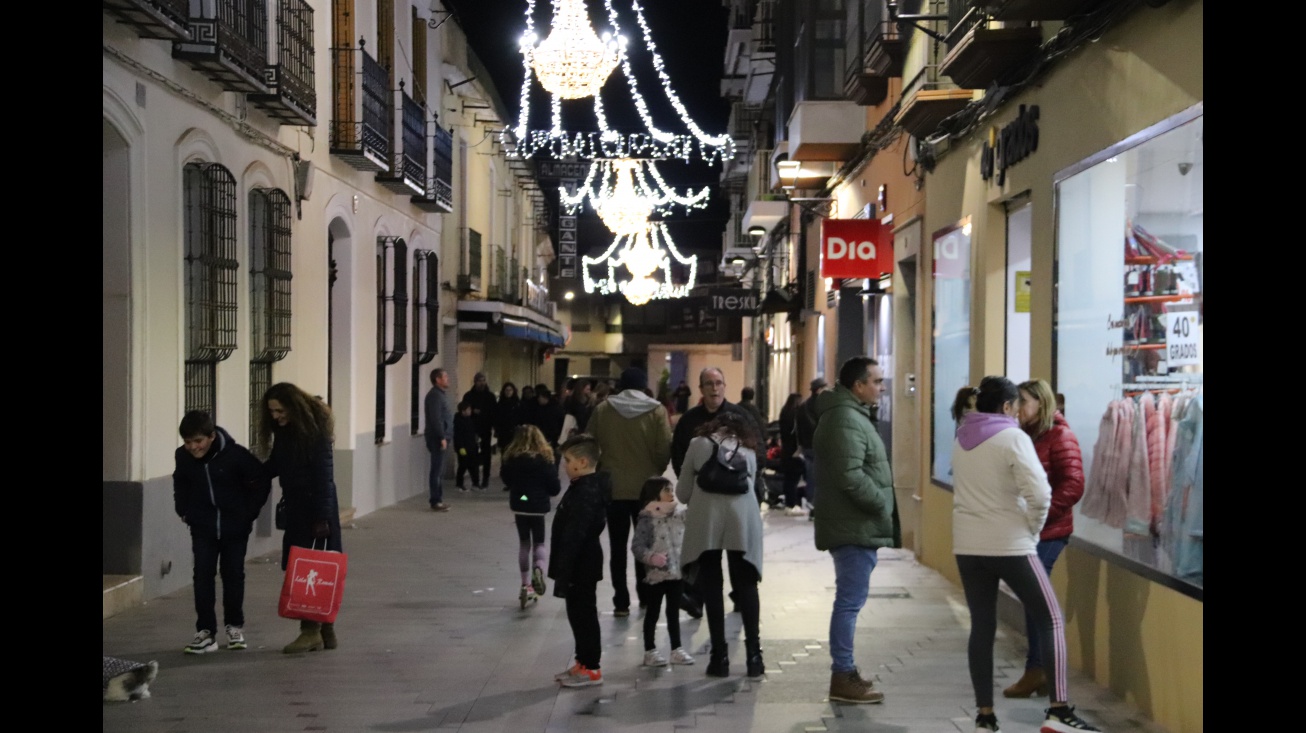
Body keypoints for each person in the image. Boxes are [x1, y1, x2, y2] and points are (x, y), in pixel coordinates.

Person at [952, 376, 1101, 733]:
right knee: (1050, 619)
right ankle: (1059, 712)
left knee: (982, 627)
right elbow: (1041, 494)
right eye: (1015, 405)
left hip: (967, 545)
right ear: (1006, 407)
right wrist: (1032, 531)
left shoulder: (961, 437)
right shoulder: (1013, 437)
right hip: (1010, 544)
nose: (1019, 411)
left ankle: (985, 716)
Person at [812, 357, 898, 704]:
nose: (881, 387)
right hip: (853, 525)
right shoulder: (846, 418)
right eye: (876, 381)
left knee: (850, 600)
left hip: (853, 523)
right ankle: (842, 675)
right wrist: (881, 502)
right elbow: (849, 475)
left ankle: (846, 672)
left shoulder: (851, 415)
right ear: (858, 386)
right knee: (849, 602)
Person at [1004, 379, 1086, 699]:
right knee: (1034, 598)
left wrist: (1042, 513)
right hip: (1030, 529)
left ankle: (1038, 670)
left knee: (1037, 598)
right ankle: (1040, 671)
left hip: (1051, 531)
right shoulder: (1026, 435)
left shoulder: (1060, 435)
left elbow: (1074, 484)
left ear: (1040, 402)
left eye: (1023, 401)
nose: (1018, 408)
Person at [173, 410, 271, 654]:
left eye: (198, 441)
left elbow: (261, 480)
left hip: (234, 528)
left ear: (212, 436)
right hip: (202, 526)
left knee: (233, 575)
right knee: (202, 575)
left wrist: (248, 513)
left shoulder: (236, 456)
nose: (193, 447)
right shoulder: (182, 457)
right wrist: (183, 510)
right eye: (187, 442)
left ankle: (234, 627)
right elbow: (181, 482)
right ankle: (205, 632)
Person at [258, 382, 345, 654]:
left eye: (279, 410)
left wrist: (322, 519)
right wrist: (250, 473)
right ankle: (326, 630)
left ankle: (311, 632)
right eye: (271, 411)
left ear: (294, 407)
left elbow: (324, 478)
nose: (275, 416)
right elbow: (276, 464)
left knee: (311, 570)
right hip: (298, 509)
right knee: (307, 568)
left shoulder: (315, 434)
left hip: (315, 511)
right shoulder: (287, 433)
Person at [677, 411, 765, 679]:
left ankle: (719, 657)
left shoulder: (698, 444)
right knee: (746, 584)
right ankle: (754, 657)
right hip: (742, 521)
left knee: (712, 586)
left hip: (707, 523)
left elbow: (682, 493)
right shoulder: (748, 449)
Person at [588, 367, 672, 616]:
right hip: (645, 491)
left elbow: (590, 444)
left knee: (616, 545)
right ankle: (645, 596)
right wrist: (653, 472)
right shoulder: (657, 411)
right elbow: (663, 450)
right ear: (644, 385)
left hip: (613, 489)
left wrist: (601, 469)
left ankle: (621, 601)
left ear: (621, 385)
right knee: (644, 544)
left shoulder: (603, 410)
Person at [549, 434, 612, 688]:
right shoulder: (582, 485)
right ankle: (583, 662)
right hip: (579, 562)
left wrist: (565, 570)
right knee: (577, 613)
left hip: (581, 564)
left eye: (568, 460)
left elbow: (576, 533)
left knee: (584, 614)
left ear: (582, 462)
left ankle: (592, 667)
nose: (564, 464)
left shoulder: (587, 490)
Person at [630, 476, 695, 667]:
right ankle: (650, 650)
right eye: (666, 489)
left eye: (671, 489)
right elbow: (637, 546)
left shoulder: (679, 515)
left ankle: (676, 649)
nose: (671, 493)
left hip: (676, 573)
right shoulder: (646, 518)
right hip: (656, 576)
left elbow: (696, 515)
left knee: (673, 612)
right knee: (653, 612)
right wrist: (651, 558)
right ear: (654, 494)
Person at [502, 424, 562, 609]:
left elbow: (506, 479)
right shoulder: (546, 459)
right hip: (538, 505)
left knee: (524, 543)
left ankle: (525, 584)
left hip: (520, 503)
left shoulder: (511, 457)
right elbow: (554, 488)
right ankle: (539, 570)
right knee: (539, 543)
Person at [796, 377, 829, 517]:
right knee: (823, 478)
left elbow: (798, 428)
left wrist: (802, 445)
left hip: (808, 446)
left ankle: (812, 504)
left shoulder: (803, 406)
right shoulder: (824, 406)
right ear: (819, 389)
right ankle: (820, 506)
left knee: (811, 476)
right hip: (822, 446)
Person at [424, 369, 454, 512]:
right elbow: (435, 418)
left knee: (439, 470)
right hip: (438, 438)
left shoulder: (439, 395)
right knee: (436, 470)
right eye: (445, 376)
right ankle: (435, 500)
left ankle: (438, 499)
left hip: (442, 437)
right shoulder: (435, 396)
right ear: (438, 379)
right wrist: (441, 436)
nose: (448, 379)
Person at [462, 373, 497, 489]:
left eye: (483, 381)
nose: (482, 383)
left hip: (486, 429)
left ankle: (485, 479)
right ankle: (475, 479)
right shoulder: (468, 396)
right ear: (475, 382)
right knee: (473, 455)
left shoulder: (490, 396)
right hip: (472, 430)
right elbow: (463, 411)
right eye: (479, 381)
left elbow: (493, 413)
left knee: (486, 455)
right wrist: (472, 412)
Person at [777, 392, 805, 516]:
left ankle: (788, 503)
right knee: (794, 478)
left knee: (788, 478)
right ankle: (793, 503)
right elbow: (798, 434)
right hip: (794, 451)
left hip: (785, 450)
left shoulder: (784, 412)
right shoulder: (796, 415)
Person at [529, 385, 566, 456]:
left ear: (545, 398)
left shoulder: (554, 409)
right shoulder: (539, 408)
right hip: (543, 436)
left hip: (551, 436)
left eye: (540, 397)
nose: (538, 399)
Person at [454, 400, 482, 491]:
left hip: (472, 447)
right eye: (468, 410)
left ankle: (475, 483)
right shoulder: (458, 421)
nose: (470, 411)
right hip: (463, 447)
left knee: (474, 466)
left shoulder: (470, 420)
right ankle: (459, 484)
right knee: (463, 466)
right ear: (463, 411)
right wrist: (461, 447)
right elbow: (458, 436)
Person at [494, 382, 523, 464]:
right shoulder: (500, 404)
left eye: (510, 390)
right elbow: (497, 418)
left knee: (515, 452)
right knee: (505, 452)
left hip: (515, 431)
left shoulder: (517, 403)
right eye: (507, 390)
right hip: (504, 432)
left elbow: (521, 417)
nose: (508, 392)